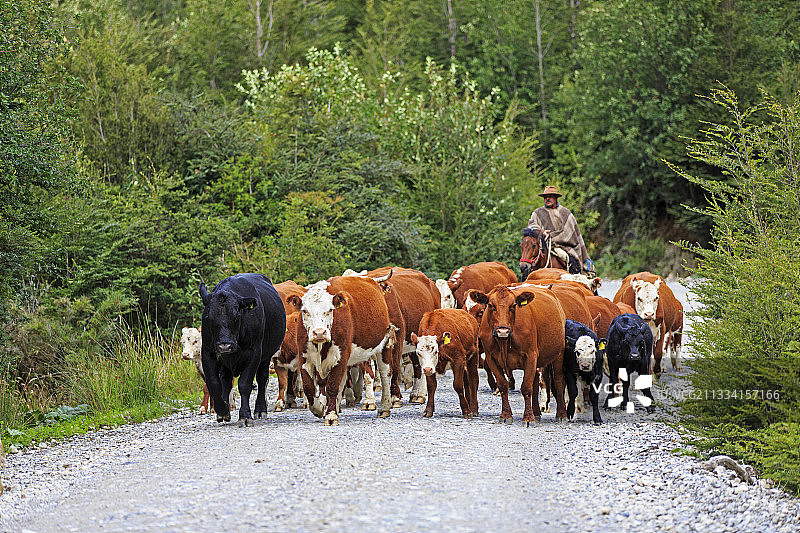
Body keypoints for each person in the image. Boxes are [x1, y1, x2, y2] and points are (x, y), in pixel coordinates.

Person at [527, 185, 593, 274]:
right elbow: (531, 227)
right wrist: (541, 232)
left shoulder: (565, 213)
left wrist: (551, 236)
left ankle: (575, 278)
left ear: (556, 198)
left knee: (569, 260)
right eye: (546, 197)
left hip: (564, 247)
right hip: (543, 246)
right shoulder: (537, 213)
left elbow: (568, 232)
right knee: (527, 262)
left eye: (550, 197)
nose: (547, 199)